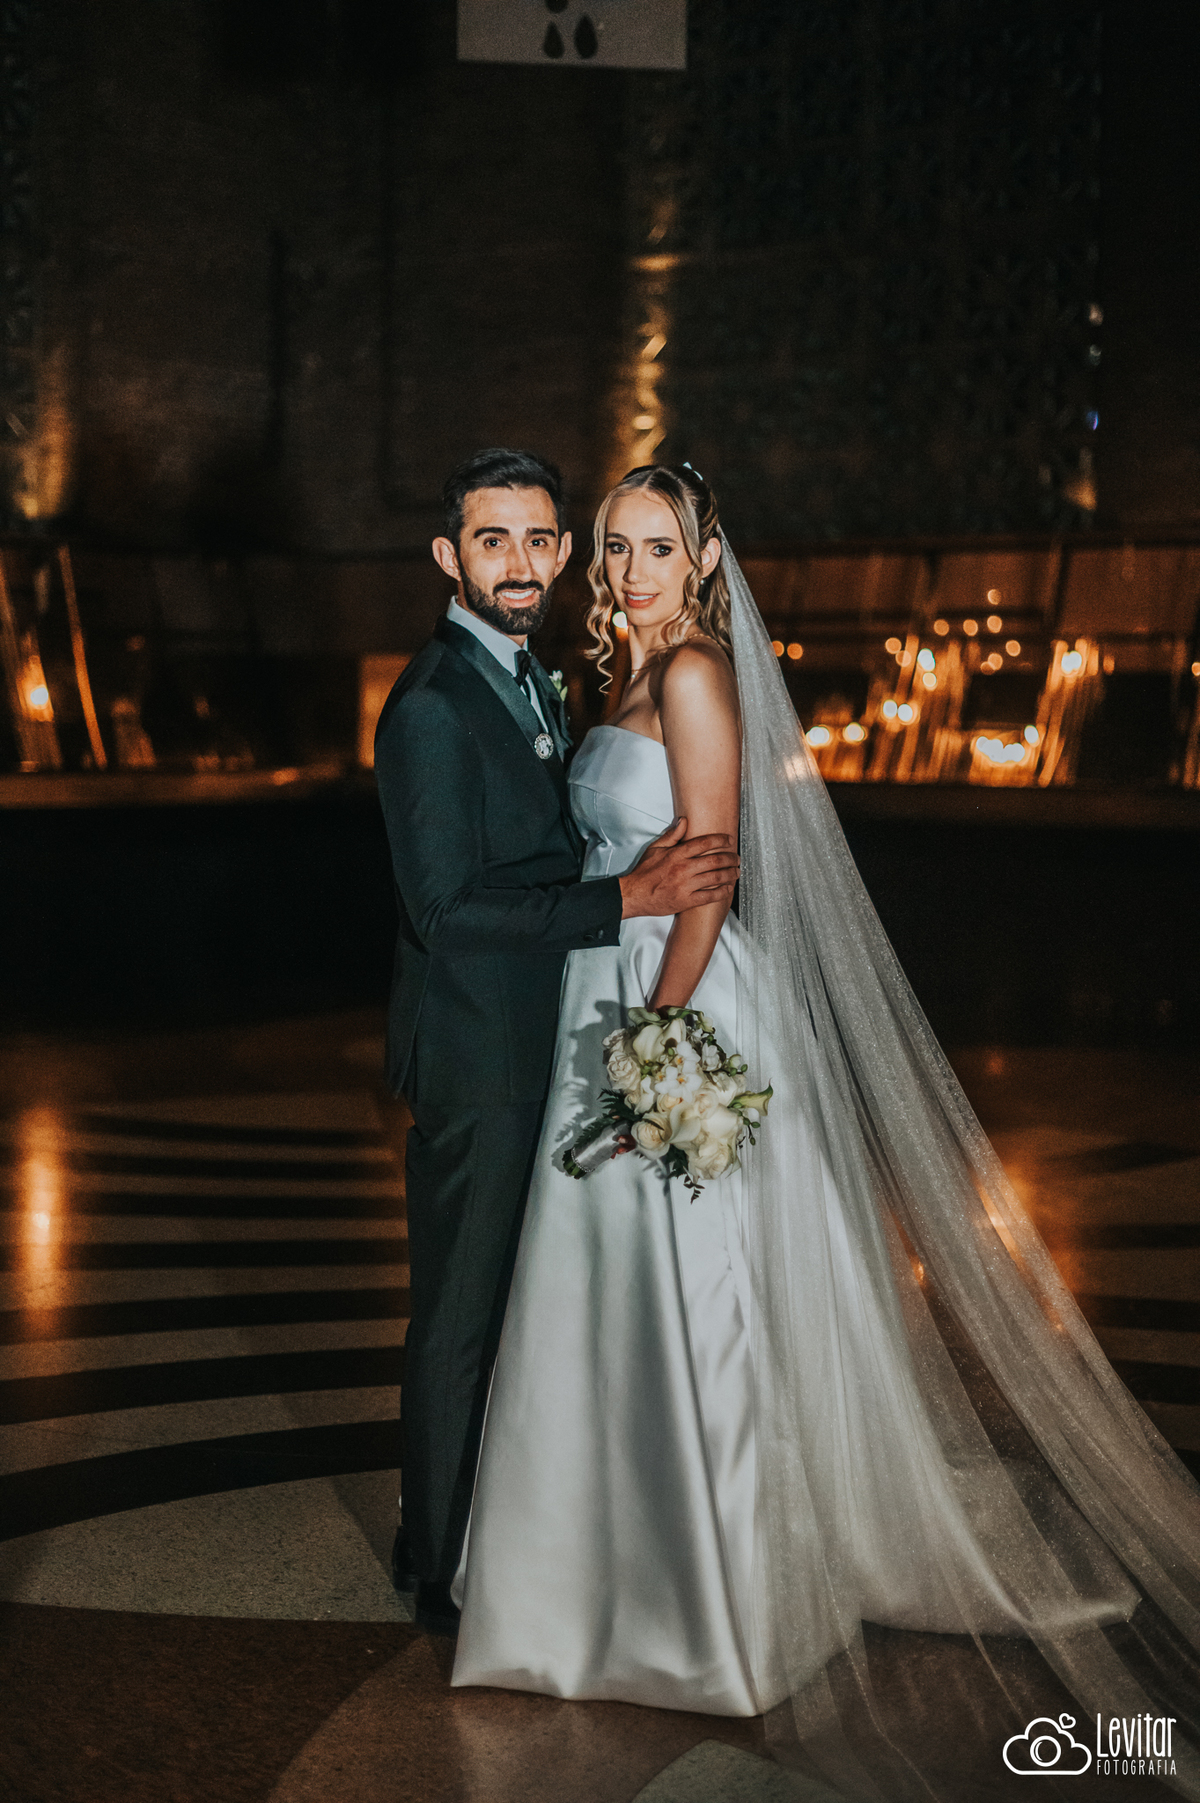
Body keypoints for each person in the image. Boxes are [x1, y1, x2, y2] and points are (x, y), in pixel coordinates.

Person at [450, 465, 1200, 1798]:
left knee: (694, 1293)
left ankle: (714, 1607)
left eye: (658, 548)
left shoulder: (693, 677)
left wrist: (656, 1044)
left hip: (670, 1005)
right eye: (615, 548)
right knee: (596, 1298)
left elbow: (711, 871)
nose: (630, 572)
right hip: (601, 987)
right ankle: (586, 1583)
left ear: (704, 559)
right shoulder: (614, 676)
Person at [372, 448, 740, 1635]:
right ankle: (437, 1559)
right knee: (464, 1314)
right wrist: (624, 899)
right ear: (450, 555)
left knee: (556, 1305)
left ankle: (536, 1528)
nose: (523, 562)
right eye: (494, 540)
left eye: (542, 539)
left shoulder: (547, 676)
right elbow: (443, 911)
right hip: (482, 1056)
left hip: (572, 1024)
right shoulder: (434, 703)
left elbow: (667, 853)